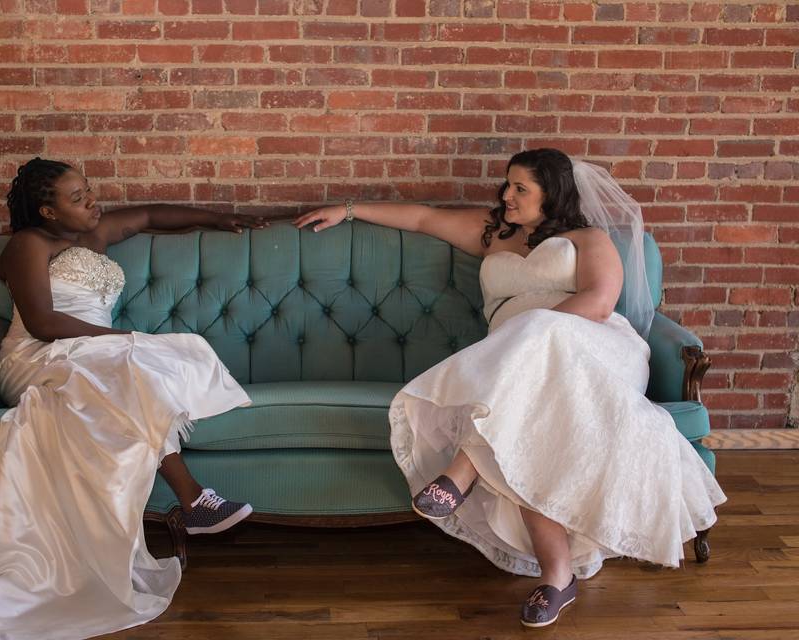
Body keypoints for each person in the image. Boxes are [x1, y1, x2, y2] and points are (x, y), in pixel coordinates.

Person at [295, 148, 725, 628]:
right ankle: (558, 577)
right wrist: (350, 210)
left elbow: (600, 303)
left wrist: (531, 332)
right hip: (517, 370)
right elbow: (422, 218)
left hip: (593, 351)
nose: (507, 195)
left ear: (552, 194)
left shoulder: (588, 237)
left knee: (536, 338)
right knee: (526, 430)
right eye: (507, 185)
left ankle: (465, 467)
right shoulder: (494, 232)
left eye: (521, 188)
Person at [0, 158, 266, 639]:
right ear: (47, 211)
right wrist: (120, 336)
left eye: (88, 190)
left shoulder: (96, 233)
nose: (92, 201)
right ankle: (194, 500)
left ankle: (192, 505)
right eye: (77, 196)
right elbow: (41, 324)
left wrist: (218, 219)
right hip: (38, 355)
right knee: (124, 367)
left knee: (129, 373)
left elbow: (149, 216)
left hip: (93, 354)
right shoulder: (28, 245)